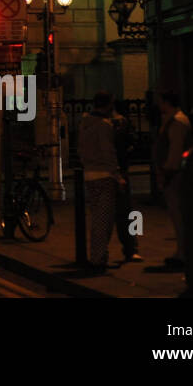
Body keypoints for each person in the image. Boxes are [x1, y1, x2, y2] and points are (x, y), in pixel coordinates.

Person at [78, 91, 125, 272]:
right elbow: (108, 153)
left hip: (89, 174)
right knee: (103, 221)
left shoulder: (84, 122)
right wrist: (117, 175)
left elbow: (81, 149)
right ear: (109, 104)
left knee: (97, 218)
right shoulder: (104, 125)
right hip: (104, 176)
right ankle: (98, 259)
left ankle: (98, 256)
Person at [155, 91, 192, 269]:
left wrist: (167, 171)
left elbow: (175, 151)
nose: (159, 105)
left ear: (167, 102)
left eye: (161, 101)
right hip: (172, 172)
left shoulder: (177, 121)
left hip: (174, 174)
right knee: (177, 214)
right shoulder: (172, 120)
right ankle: (182, 250)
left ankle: (184, 252)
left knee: (179, 214)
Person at [110, 103, 142, 262]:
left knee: (116, 212)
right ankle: (131, 249)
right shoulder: (122, 124)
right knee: (127, 211)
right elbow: (133, 143)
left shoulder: (97, 123)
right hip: (119, 169)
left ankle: (101, 252)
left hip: (107, 171)